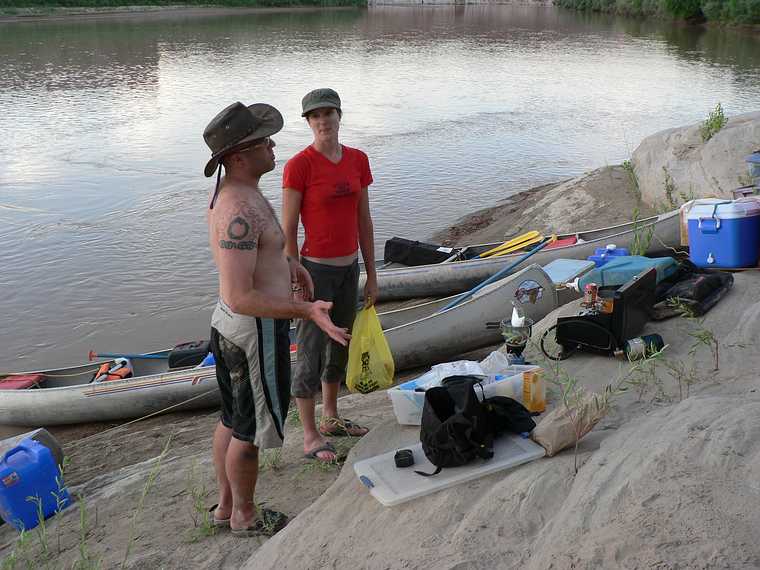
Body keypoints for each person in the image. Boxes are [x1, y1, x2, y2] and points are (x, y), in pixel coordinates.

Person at [202, 101, 351, 537]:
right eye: (262, 140)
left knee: (231, 418)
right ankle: (245, 516)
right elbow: (240, 295)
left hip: (235, 326)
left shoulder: (244, 192)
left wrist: (292, 266)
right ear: (238, 156)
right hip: (252, 333)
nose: (272, 145)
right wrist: (305, 309)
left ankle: (226, 507)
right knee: (246, 428)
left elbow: (262, 255)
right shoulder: (236, 211)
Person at [282, 88, 378, 463]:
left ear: (340, 116)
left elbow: (364, 219)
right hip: (314, 271)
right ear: (308, 122)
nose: (323, 121)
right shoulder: (299, 165)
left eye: (329, 113)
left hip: (349, 268)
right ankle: (309, 436)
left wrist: (372, 273)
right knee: (309, 349)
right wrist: (294, 272)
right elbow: (287, 227)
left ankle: (332, 417)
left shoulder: (357, 160)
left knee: (341, 343)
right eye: (315, 115)